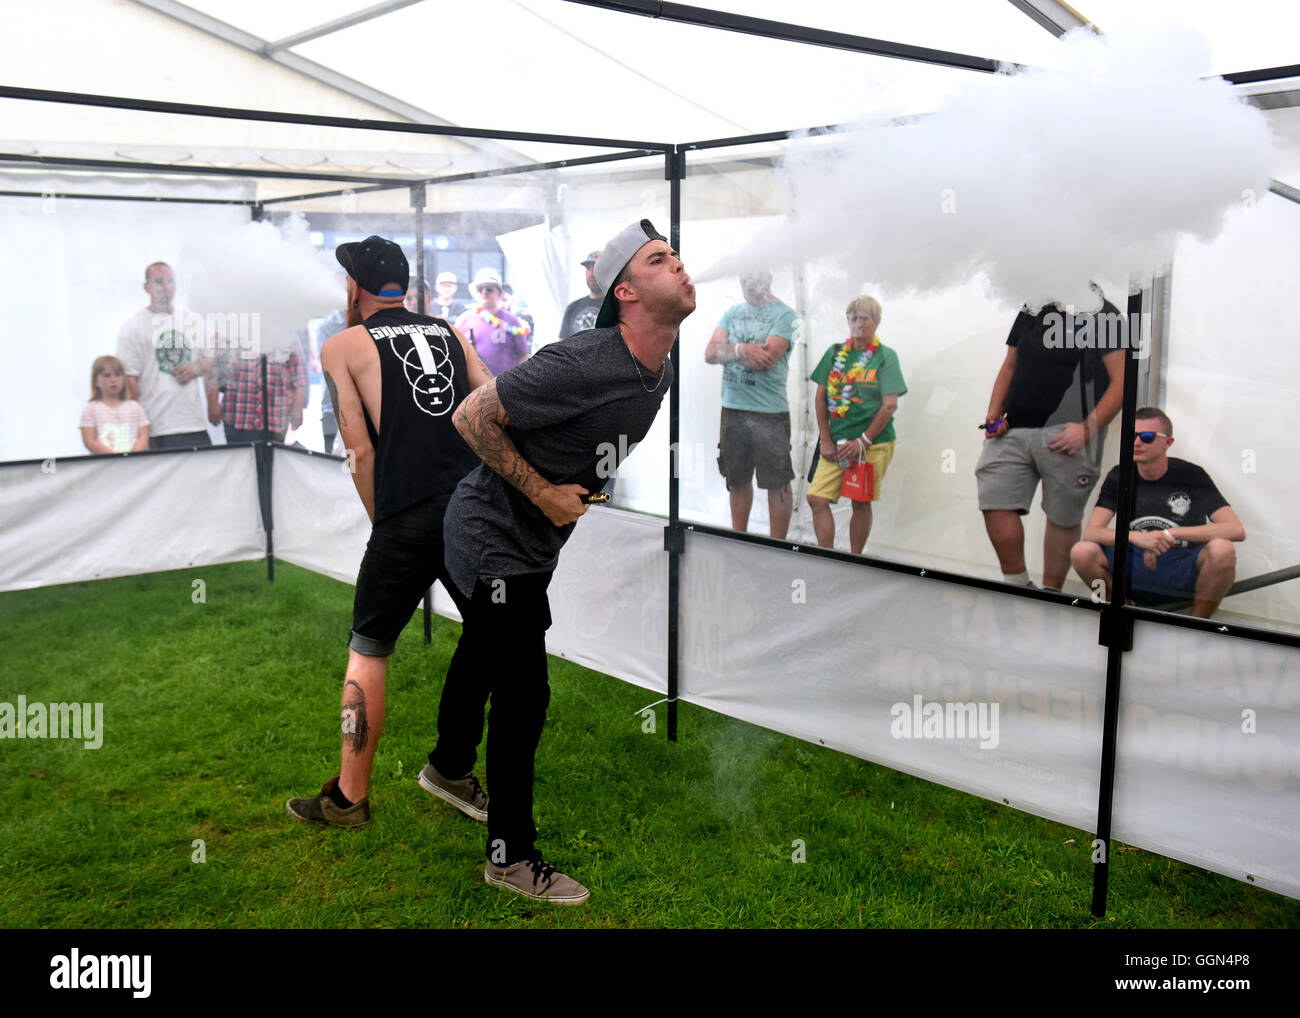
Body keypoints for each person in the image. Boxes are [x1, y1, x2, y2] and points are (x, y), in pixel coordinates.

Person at [428, 219, 694, 905]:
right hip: (490, 538)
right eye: (661, 260)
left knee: (485, 655)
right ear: (627, 293)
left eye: (676, 256)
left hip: (529, 540)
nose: (681, 266)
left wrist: (576, 489)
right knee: (524, 695)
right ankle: (509, 858)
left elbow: (581, 436)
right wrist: (545, 492)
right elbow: (469, 418)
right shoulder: (583, 360)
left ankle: (448, 769)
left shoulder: (658, 364)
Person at [286, 235, 492, 829]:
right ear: (402, 286)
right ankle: (452, 768)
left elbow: (358, 447)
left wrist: (388, 524)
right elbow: (490, 400)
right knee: (487, 632)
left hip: (407, 515)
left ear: (355, 288)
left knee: (369, 649)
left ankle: (349, 799)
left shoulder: (342, 345)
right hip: (469, 509)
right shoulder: (450, 330)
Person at [976, 290, 1125, 590]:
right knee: (995, 499)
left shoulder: (1104, 312)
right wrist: (994, 414)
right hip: (1013, 427)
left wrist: (1086, 429)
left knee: (1062, 513)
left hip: (1070, 431)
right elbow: (1009, 366)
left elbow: (1123, 380)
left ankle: (1051, 593)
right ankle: (1017, 585)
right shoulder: (1032, 306)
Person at [1070, 408, 1245, 618]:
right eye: (1132, 435)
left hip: (1181, 566)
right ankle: (1123, 614)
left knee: (1223, 550)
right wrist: (1139, 538)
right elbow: (1091, 532)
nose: (1136, 443)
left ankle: (1197, 622)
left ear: (1168, 443)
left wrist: (1170, 535)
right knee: (1081, 552)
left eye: (1147, 437)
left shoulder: (1191, 475)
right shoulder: (1120, 475)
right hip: (1135, 565)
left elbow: (1235, 529)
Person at [806, 296, 907, 553]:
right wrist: (826, 440)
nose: (858, 323)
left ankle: (854, 559)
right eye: (854, 317)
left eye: (865, 318)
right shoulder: (835, 353)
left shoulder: (886, 357)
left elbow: (890, 404)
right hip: (836, 442)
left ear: (877, 323)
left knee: (860, 501)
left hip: (873, 443)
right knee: (816, 498)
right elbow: (820, 396)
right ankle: (826, 557)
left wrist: (862, 442)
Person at [703, 271, 797, 538]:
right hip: (733, 407)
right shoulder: (732, 313)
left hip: (770, 412)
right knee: (737, 478)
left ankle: (777, 544)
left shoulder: (785, 316)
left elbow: (766, 359)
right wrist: (743, 350)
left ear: (767, 280)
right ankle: (738, 539)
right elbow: (710, 353)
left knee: (777, 482)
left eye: (753, 280)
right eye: (743, 281)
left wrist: (729, 350)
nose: (747, 287)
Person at [116, 261, 215, 449]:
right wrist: (139, 424)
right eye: (159, 281)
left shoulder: (192, 321)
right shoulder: (133, 328)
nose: (165, 287)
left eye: (170, 281)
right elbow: (129, 380)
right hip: (156, 426)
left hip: (192, 422)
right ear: (147, 287)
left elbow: (209, 359)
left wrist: (194, 369)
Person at [215, 343, 307, 444]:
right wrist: (213, 402)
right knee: (238, 458)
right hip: (237, 416)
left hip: (275, 418)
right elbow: (214, 370)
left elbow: (300, 377)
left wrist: (297, 410)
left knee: (273, 458)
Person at [454, 268, 530, 376]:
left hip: (505, 386)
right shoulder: (464, 319)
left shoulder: (512, 321)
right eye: (480, 289)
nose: (484, 292)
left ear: (499, 292)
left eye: (489, 289)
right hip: (474, 387)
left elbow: (522, 356)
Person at [80, 355, 150, 453]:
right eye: (107, 375)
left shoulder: (135, 407)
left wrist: (133, 456)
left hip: (133, 463)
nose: (113, 380)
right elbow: (89, 440)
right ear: (96, 381)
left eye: (117, 375)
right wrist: (113, 457)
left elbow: (143, 435)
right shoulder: (91, 409)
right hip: (105, 464)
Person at [558, 249, 603, 339]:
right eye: (588, 268)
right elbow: (561, 344)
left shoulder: (616, 306)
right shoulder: (573, 307)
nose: (591, 274)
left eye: (596, 267)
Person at [500, 284, 535, 352]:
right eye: (498, 300)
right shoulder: (493, 317)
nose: (501, 304)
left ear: (512, 299)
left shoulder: (523, 316)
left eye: (504, 300)